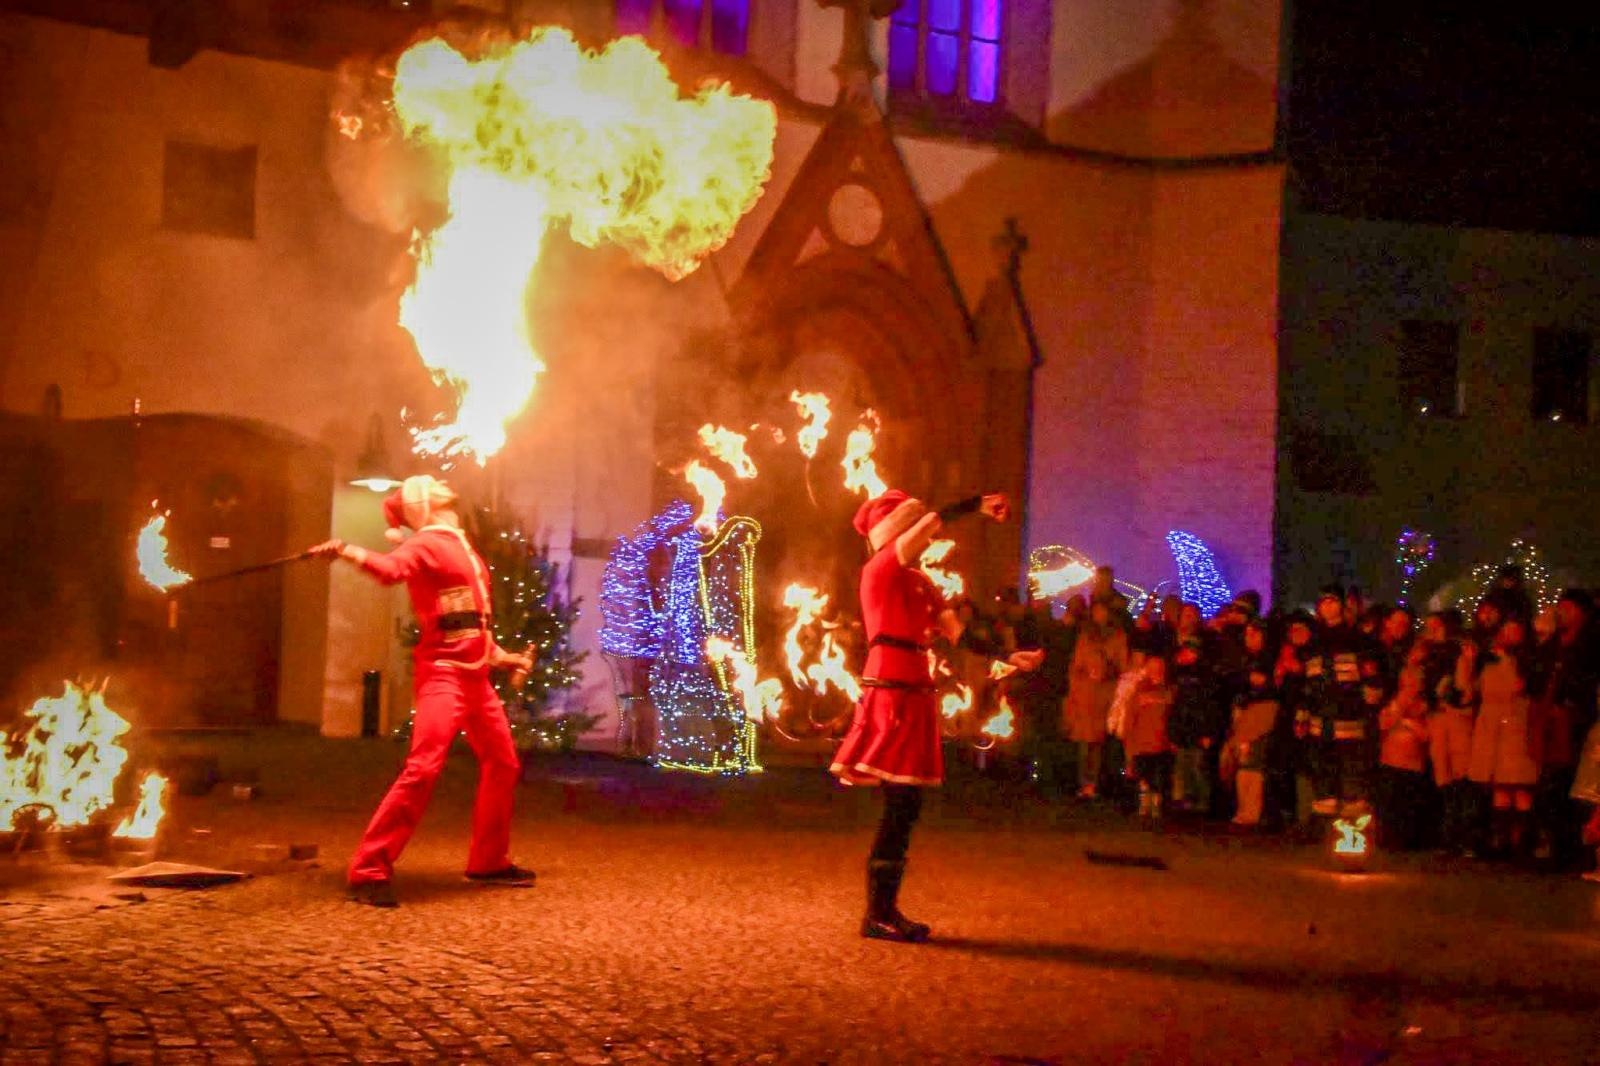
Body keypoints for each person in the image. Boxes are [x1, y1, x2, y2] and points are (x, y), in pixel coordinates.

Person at [311, 476, 535, 908]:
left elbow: (466, 618)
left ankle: (488, 860)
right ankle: (368, 869)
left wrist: (502, 656)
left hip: (474, 677)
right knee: (424, 768)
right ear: (422, 506)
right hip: (443, 677)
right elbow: (391, 570)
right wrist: (347, 550)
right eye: (430, 485)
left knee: (503, 763)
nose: (443, 483)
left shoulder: (459, 544)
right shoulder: (427, 543)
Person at [830, 489, 1039, 943]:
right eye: (914, 530)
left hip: (917, 693)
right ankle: (878, 914)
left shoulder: (921, 581)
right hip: (890, 688)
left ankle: (884, 911)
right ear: (897, 533)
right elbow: (933, 522)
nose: (926, 539)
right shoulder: (882, 567)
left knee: (907, 806)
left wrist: (1008, 655)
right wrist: (976, 504)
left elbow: (959, 635)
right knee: (900, 803)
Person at [1463, 615, 1540, 858]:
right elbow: (1470, 691)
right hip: (1492, 726)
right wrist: (1468, 663)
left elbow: (1520, 688)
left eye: (1515, 630)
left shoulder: (1526, 661)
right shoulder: (1487, 661)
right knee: (1500, 785)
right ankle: (1501, 840)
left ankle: (1522, 842)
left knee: (1519, 785)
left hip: (1516, 725)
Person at [1061, 598, 1128, 798]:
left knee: (1100, 743)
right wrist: (1082, 679)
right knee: (1085, 743)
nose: (1099, 615)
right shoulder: (1085, 636)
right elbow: (1076, 665)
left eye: (1103, 611)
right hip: (1086, 696)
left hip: (1105, 696)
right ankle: (1085, 783)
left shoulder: (1117, 636)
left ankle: (1099, 783)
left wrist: (1107, 673)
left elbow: (1122, 665)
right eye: (1096, 611)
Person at [1376, 648, 1432, 850]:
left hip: (1413, 763)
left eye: (1415, 683)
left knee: (1408, 806)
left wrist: (1408, 723)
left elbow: (1427, 735)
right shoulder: (1394, 703)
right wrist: (1399, 706)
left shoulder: (1423, 707)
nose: (1411, 687)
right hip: (1391, 760)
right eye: (1407, 683)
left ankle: (1408, 840)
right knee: (1391, 804)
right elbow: (1383, 724)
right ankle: (1389, 839)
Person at [1121, 655, 1176, 822]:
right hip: (1142, 743)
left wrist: (1172, 739)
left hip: (1162, 743)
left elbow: (1173, 717)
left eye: (1159, 668)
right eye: (1152, 667)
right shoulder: (1139, 691)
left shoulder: (1169, 691)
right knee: (1144, 777)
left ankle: (1157, 806)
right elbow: (1130, 718)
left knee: (1159, 778)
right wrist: (1129, 741)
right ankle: (1145, 806)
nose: (1156, 671)